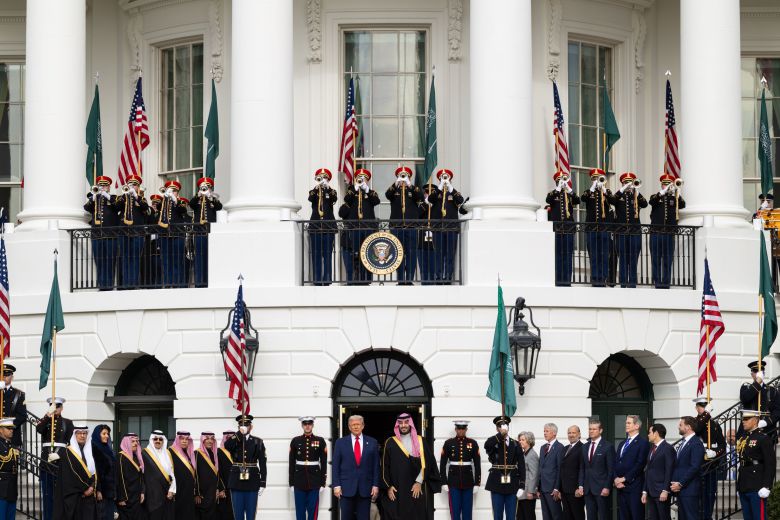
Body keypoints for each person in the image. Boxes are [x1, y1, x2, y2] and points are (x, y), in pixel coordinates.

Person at [380, 413, 441, 520]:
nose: (403, 425)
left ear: (411, 424)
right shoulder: (390, 442)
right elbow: (385, 466)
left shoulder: (421, 441)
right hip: (397, 488)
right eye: (400, 423)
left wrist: (419, 482)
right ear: (397, 425)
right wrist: (388, 486)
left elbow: (428, 463)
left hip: (415, 488)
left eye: (406, 422)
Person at [331, 414, 380, 520]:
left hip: (365, 488)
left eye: (358, 424)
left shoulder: (372, 442)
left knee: (364, 517)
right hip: (345, 488)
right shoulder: (340, 442)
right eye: (353, 425)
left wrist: (375, 485)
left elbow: (376, 466)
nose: (356, 427)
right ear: (349, 427)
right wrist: (336, 485)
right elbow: (335, 466)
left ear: (363, 426)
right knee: (346, 517)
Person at [425, 169, 466, 284]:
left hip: (451, 228)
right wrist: (439, 187)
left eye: (446, 177)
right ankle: (438, 277)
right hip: (438, 228)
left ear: (450, 179)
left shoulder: (453, 193)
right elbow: (429, 200)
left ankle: (448, 276)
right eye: (442, 177)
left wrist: (451, 189)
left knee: (449, 254)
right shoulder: (436, 193)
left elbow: (460, 200)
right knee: (438, 253)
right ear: (439, 179)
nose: (444, 179)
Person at [224, 415, 267, 520]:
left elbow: (262, 463)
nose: (244, 427)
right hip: (236, 481)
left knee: (251, 513)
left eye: (246, 425)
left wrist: (263, 482)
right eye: (241, 425)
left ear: (251, 427)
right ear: (238, 427)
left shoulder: (258, 442)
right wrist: (239, 434)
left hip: (252, 480)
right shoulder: (235, 439)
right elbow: (227, 446)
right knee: (238, 514)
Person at [37, 396, 74, 520]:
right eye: (53, 406)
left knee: (61, 496)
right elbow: (39, 429)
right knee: (47, 496)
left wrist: (61, 454)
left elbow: (69, 443)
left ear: (62, 408)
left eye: (58, 406)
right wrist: (48, 414)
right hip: (46, 463)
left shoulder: (68, 423)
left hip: (61, 462)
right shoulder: (46, 421)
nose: (56, 409)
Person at [608, 172, 647, 288]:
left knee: (634, 258)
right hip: (621, 232)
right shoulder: (619, 197)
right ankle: (623, 283)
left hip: (635, 232)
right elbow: (612, 200)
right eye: (626, 182)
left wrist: (636, 190)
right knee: (623, 259)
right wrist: (623, 188)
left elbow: (645, 204)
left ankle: (632, 284)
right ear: (622, 183)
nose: (629, 184)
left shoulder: (635, 196)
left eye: (630, 182)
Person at [342, 169, 380, 284]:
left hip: (368, 228)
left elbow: (376, 201)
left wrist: (366, 190)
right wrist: (355, 188)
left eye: (363, 178)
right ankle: (356, 277)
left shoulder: (371, 192)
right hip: (355, 228)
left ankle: (367, 279)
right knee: (356, 252)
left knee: (367, 253)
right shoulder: (351, 192)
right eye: (359, 178)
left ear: (367, 180)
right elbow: (346, 200)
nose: (361, 180)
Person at [736, 409, 775, 520]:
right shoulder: (744, 438)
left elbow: (770, 463)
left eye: (746, 419)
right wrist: (739, 486)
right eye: (743, 419)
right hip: (744, 483)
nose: (743, 421)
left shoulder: (763, 438)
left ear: (755, 420)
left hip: (757, 484)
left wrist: (767, 485)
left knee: (759, 517)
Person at [386, 166, 422, 284]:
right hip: (396, 226)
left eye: (405, 176)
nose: (403, 178)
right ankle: (401, 279)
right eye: (401, 176)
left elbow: (420, 198)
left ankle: (410, 279)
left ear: (409, 177)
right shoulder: (394, 190)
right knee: (398, 253)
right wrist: (396, 183)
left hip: (411, 226)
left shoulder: (413, 190)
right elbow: (387, 195)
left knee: (411, 253)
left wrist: (410, 185)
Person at [484, 416, 525, 520]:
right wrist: (499, 435)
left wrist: (522, 485)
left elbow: (521, 465)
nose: (504, 428)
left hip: (512, 484)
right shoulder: (493, 441)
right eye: (501, 426)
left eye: (505, 425)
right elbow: (487, 445)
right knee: (497, 515)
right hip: (496, 483)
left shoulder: (515, 443)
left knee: (511, 516)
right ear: (497, 428)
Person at [53, 425, 98, 520]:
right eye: (79, 433)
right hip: (75, 497)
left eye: (84, 433)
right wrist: (85, 488)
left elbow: (95, 472)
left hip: (90, 496)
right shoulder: (67, 452)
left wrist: (92, 486)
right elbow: (71, 474)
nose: (82, 436)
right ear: (74, 435)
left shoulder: (91, 451)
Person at [648, 174, 685, 288]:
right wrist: (663, 192)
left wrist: (677, 192)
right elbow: (651, 202)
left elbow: (683, 205)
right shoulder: (656, 196)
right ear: (662, 184)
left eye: (669, 183)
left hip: (669, 233)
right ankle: (657, 282)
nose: (667, 186)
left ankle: (666, 283)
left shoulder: (674, 198)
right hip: (656, 232)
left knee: (667, 259)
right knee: (656, 259)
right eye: (665, 183)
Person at [440, 420, 481, 520]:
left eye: (463, 429)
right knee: (455, 511)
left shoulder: (473, 443)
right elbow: (442, 464)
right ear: (455, 429)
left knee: (467, 511)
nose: (461, 431)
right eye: (459, 428)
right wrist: (444, 482)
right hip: (453, 481)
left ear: (466, 429)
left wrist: (477, 483)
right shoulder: (449, 443)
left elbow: (477, 464)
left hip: (468, 481)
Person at [692, 397, 725, 520]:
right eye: (702, 406)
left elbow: (722, 444)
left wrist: (716, 453)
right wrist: (706, 414)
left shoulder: (715, 424)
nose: (704, 408)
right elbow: (697, 429)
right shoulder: (694, 422)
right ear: (696, 408)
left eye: (706, 406)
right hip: (699, 462)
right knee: (698, 492)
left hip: (711, 463)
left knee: (710, 493)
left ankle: (707, 516)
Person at [288, 416, 327, 520]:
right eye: (305, 424)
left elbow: (323, 462)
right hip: (299, 480)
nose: (307, 426)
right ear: (302, 426)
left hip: (315, 480)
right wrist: (291, 482)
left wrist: (323, 482)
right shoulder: (295, 441)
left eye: (309, 424)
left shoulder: (320, 440)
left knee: (312, 509)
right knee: (300, 510)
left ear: (313, 425)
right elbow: (291, 463)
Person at [84, 175, 118, 290]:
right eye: (101, 185)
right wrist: (93, 197)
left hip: (110, 235)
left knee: (110, 260)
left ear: (109, 187)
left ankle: (109, 285)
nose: (102, 187)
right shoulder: (94, 199)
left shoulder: (113, 197)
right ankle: (102, 285)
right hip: (97, 235)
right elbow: (86, 208)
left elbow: (118, 206)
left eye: (105, 185)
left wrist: (106, 196)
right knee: (99, 260)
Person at [580, 169, 613, 287]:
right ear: (591, 179)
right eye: (594, 178)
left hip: (604, 228)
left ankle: (603, 278)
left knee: (604, 255)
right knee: (593, 255)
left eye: (598, 178)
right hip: (592, 228)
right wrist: (593, 186)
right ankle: (595, 279)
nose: (597, 180)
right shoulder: (589, 192)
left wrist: (604, 189)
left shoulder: (606, 192)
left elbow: (614, 200)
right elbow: (582, 199)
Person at [115, 175, 148, 289]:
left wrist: (136, 196)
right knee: (125, 257)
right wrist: (125, 196)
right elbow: (116, 207)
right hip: (124, 231)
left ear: (138, 187)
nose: (132, 187)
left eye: (135, 185)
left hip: (137, 231)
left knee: (135, 258)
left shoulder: (142, 198)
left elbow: (146, 209)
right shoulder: (122, 197)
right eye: (131, 184)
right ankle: (126, 284)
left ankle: (133, 284)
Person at [546, 171, 580, 286]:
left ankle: (567, 280)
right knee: (558, 256)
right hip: (557, 229)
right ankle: (558, 280)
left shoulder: (569, 194)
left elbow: (578, 200)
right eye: (560, 180)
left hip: (569, 229)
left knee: (567, 255)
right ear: (556, 181)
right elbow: (548, 200)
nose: (563, 181)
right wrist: (558, 188)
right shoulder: (553, 194)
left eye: (564, 179)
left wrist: (569, 189)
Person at [613, 415, 649, 520]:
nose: (626, 425)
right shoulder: (622, 443)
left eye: (629, 423)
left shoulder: (643, 443)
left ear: (637, 426)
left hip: (634, 487)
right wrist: (616, 479)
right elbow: (616, 462)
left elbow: (640, 464)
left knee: (636, 515)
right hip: (620, 487)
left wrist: (624, 479)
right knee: (623, 516)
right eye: (626, 423)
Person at [189, 177, 222, 287]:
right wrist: (198, 195)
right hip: (199, 232)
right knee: (199, 258)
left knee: (210, 258)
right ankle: (199, 283)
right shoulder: (197, 200)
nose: (205, 189)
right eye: (203, 187)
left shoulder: (213, 199)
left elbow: (219, 207)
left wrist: (210, 197)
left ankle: (209, 282)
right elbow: (191, 204)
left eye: (207, 187)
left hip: (210, 233)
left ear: (211, 188)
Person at [577, 419, 613, 520]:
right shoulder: (584, 447)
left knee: (603, 516)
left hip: (602, 489)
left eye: (594, 429)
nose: (591, 431)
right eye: (590, 429)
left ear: (600, 430)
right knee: (590, 516)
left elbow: (611, 469)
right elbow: (582, 468)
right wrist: (580, 485)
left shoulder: (607, 446)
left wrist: (607, 487)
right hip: (588, 489)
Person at [307, 169, 338, 285]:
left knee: (327, 254)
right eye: (320, 177)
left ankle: (327, 279)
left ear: (328, 179)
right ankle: (317, 279)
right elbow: (310, 199)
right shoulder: (313, 191)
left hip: (328, 227)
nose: (322, 179)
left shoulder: (332, 191)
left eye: (324, 177)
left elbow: (334, 199)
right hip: (315, 227)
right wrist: (317, 187)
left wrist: (327, 188)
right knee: (316, 254)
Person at [670, 416, 704, 520]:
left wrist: (680, 483)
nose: (678, 427)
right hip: (681, 490)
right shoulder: (683, 442)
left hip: (689, 490)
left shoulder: (696, 443)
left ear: (688, 427)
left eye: (681, 425)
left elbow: (694, 467)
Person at [158, 180, 189, 288]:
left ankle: (176, 284)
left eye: (174, 191)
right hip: (164, 235)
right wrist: (165, 198)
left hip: (177, 235)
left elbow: (183, 210)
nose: (172, 192)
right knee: (166, 261)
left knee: (177, 261)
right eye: (170, 191)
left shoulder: (180, 203)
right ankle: (167, 283)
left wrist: (174, 200)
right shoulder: (163, 203)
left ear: (178, 192)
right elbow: (157, 209)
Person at [641, 423, 674, 520]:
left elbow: (669, 470)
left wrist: (665, 490)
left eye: (650, 432)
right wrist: (644, 491)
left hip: (661, 492)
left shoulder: (668, 448)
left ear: (656, 433)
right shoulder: (652, 448)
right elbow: (649, 470)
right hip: (651, 491)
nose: (648, 435)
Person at [740, 360, 780, 438]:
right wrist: (757, 383)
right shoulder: (746, 387)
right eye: (755, 371)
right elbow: (745, 399)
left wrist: (766, 422)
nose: (758, 373)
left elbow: (777, 411)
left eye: (761, 370)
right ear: (752, 374)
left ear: (763, 373)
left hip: (768, 431)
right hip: (749, 431)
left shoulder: (772, 391)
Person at [142, 430, 176, 520]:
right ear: (151, 440)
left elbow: (172, 473)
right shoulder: (144, 454)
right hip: (152, 495)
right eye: (155, 439)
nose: (158, 441)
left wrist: (172, 490)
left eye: (160, 439)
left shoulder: (167, 453)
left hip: (167, 493)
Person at [116, 433, 145, 520]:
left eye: (136, 441)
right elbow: (119, 478)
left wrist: (142, 491)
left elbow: (141, 477)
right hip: (126, 499)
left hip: (137, 497)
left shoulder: (137, 457)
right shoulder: (120, 457)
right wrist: (121, 498)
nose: (135, 443)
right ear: (126, 443)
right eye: (132, 441)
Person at [538, 423, 564, 520]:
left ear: (554, 433)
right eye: (544, 431)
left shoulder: (559, 447)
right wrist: (538, 487)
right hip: (543, 488)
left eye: (547, 431)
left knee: (556, 515)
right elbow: (541, 468)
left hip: (553, 489)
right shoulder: (542, 447)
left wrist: (557, 488)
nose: (544, 433)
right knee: (546, 516)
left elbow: (559, 469)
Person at [91, 425, 117, 520]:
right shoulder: (93, 449)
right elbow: (96, 471)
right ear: (98, 435)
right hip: (101, 493)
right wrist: (98, 490)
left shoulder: (108, 449)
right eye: (104, 433)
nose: (107, 436)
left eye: (108, 434)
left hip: (109, 492)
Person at [559, 426, 584, 520]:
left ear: (579, 434)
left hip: (575, 490)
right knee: (567, 516)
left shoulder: (583, 448)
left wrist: (579, 487)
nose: (571, 435)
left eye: (573, 433)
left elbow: (582, 468)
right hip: (564, 490)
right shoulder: (565, 448)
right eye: (569, 433)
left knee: (577, 516)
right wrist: (559, 488)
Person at [195, 431, 222, 520]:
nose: (210, 441)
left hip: (213, 492)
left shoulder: (215, 454)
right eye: (207, 439)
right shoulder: (196, 454)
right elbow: (195, 474)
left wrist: (218, 488)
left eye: (212, 439)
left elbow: (217, 473)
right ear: (203, 440)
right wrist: (197, 493)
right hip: (202, 494)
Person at [168, 431, 195, 520]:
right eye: (182, 439)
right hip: (177, 490)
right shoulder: (170, 451)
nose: (184, 441)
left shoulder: (189, 453)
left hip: (189, 491)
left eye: (187, 439)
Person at [0, 364, 25, 447]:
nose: (4, 377)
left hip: (12, 435)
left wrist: (7, 427)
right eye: (2, 375)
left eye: (7, 375)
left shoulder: (19, 394)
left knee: (13, 459)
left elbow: (22, 415)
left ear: (12, 377)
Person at [516, 431, 539, 520]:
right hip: (522, 492)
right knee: (520, 516)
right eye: (519, 440)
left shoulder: (532, 454)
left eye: (523, 440)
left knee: (528, 516)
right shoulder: (523, 454)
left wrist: (531, 491)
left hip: (528, 493)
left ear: (529, 441)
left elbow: (534, 474)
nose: (520, 442)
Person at [143, 193, 163, 288]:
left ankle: (158, 285)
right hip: (149, 242)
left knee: (159, 265)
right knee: (148, 265)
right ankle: (149, 285)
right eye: (153, 203)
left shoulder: (162, 213)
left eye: (157, 203)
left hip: (158, 241)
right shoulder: (149, 213)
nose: (155, 204)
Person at [0, 417, 17, 520]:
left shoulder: (11, 446)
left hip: (12, 488)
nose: (11, 430)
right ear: (1, 429)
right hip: (1, 488)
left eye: (12, 428)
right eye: (8, 428)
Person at [217, 431, 234, 520]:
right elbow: (216, 471)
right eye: (228, 439)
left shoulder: (238, 452)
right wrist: (220, 488)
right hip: (224, 488)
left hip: (236, 487)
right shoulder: (218, 452)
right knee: (224, 512)